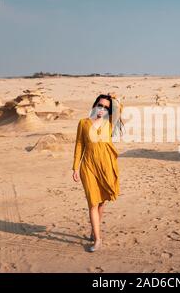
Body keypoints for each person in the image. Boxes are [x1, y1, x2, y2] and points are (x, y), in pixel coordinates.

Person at [72, 94, 123, 252]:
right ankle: (98, 240)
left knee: (101, 203)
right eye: (100, 105)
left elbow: (119, 109)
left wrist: (114, 99)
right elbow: (79, 144)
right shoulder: (83, 123)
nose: (102, 109)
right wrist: (75, 167)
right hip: (88, 166)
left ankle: (94, 231)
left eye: (106, 107)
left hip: (106, 165)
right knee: (93, 202)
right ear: (94, 105)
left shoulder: (110, 123)